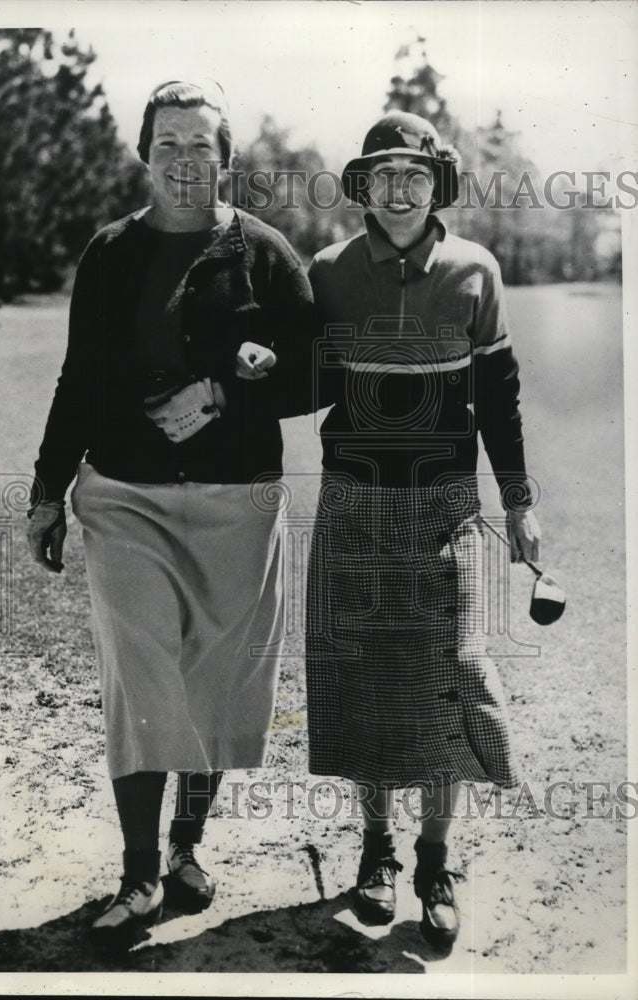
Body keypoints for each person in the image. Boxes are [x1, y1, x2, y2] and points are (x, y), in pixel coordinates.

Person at [27, 78, 313, 951]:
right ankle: (139, 871)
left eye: (200, 145)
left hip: (238, 503)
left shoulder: (267, 255)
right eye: (168, 145)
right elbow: (78, 378)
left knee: (217, 683)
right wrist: (47, 492)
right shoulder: (110, 253)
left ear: (225, 159)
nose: (184, 160)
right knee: (143, 676)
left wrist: (226, 390)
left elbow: (315, 379)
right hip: (124, 498)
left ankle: (188, 849)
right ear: (144, 156)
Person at [304, 110, 540, 948]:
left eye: (413, 174)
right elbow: (306, 382)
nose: (397, 189)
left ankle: (434, 857)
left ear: (433, 186)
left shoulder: (476, 268)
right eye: (381, 174)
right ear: (362, 187)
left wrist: (518, 500)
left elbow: (501, 399)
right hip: (354, 502)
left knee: (455, 674)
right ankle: (375, 852)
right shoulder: (327, 271)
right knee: (364, 679)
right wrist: (248, 365)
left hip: (448, 501)